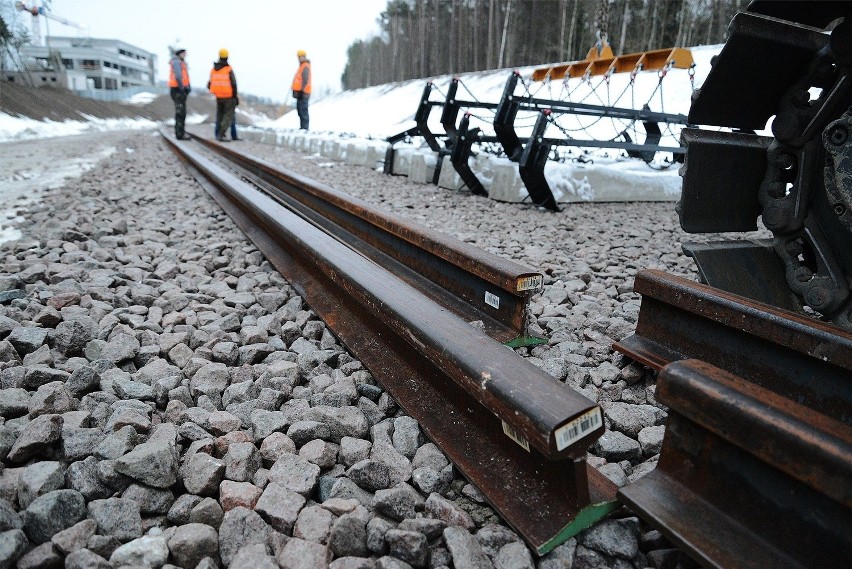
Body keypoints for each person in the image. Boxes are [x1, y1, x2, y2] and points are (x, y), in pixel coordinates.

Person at [208, 48, 238, 142]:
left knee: (219, 115)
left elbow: (209, 84)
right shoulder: (228, 69)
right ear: (227, 57)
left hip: (218, 96)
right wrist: (235, 95)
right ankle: (221, 134)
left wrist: (217, 90)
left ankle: (217, 133)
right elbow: (233, 83)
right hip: (228, 96)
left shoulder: (214, 69)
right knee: (228, 115)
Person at [168, 48, 190, 140]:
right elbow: (178, 76)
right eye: (183, 53)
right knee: (180, 113)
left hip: (178, 90)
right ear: (179, 54)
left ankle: (180, 133)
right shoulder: (177, 62)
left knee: (181, 112)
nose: (185, 55)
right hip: (178, 90)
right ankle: (180, 134)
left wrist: (188, 87)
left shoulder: (180, 62)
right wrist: (182, 88)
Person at [291, 49, 311, 130]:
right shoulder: (302, 66)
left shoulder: (305, 66)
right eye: (298, 57)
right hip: (300, 93)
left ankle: (305, 128)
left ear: (304, 57)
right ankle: (302, 127)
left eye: (300, 57)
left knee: (303, 111)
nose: (299, 58)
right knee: (300, 110)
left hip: (303, 93)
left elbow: (305, 79)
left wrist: (302, 90)